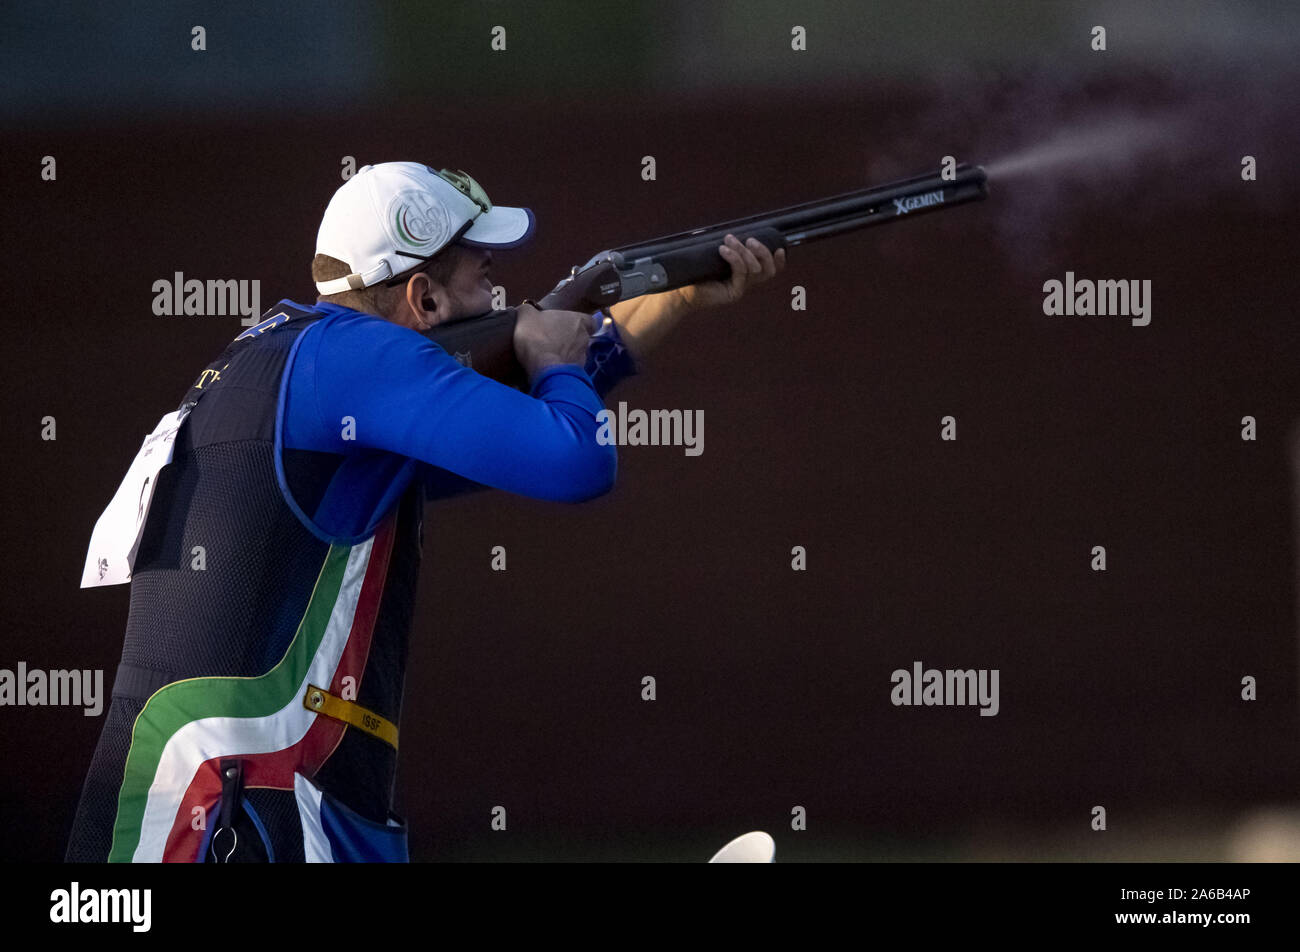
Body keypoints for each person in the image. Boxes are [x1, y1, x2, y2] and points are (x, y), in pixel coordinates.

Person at [66, 161, 784, 862]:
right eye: (483, 274)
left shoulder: (297, 359)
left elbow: (511, 434)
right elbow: (576, 461)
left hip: (238, 793)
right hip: (231, 807)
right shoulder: (358, 358)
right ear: (425, 298)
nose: (503, 295)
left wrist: (674, 297)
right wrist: (555, 364)